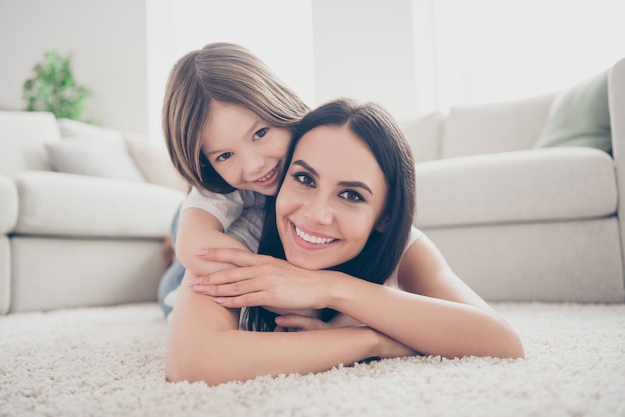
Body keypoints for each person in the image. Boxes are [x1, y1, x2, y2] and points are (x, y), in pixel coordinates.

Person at [166, 99, 524, 386]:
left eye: (351, 195)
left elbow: (501, 342)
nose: (316, 215)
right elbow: (191, 362)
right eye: (304, 178)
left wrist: (331, 289)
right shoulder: (238, 233)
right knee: (171, 283)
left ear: (385, 215)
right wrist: (374, 341)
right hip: (178, 274)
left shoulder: (404, 246)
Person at [158, 42, 309, 317]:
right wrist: (303, 302)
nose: (254, 166)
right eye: (225, 155)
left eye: (260, 133)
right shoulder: (218, 183)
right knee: (184, 234)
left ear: (282, 107)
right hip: (196, 235)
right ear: (207, 164)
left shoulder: (316, 145)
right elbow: (196, 246)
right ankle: (170, 246)